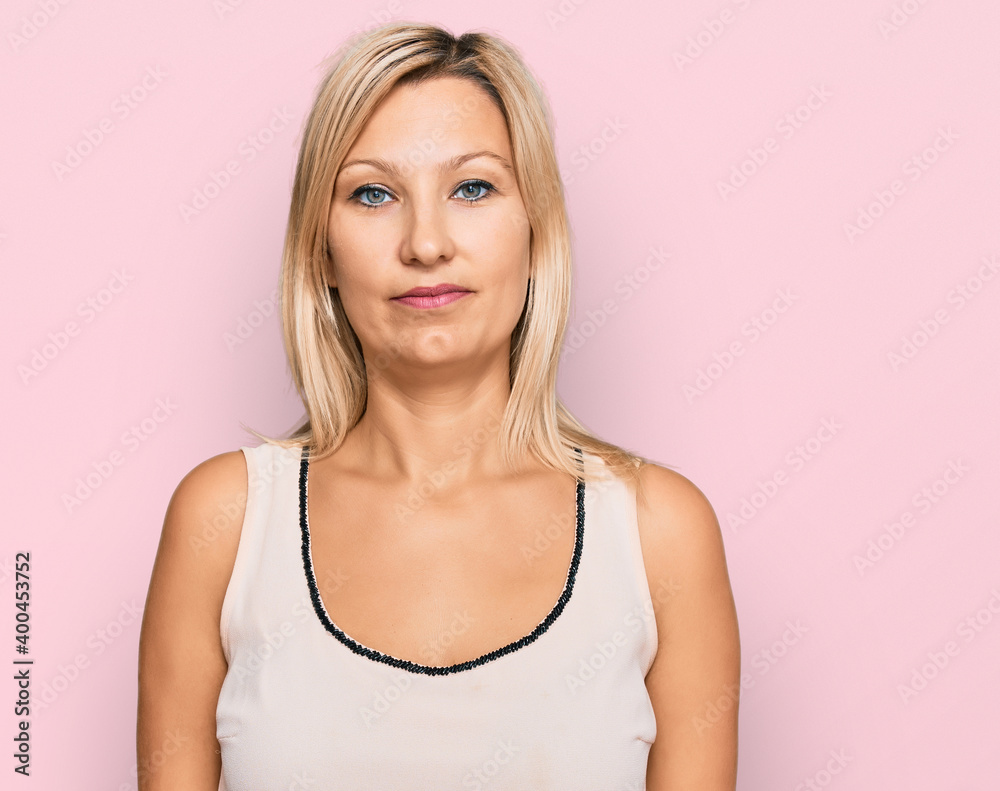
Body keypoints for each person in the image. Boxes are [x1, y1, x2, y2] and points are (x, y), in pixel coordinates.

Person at [137, 20, 740, 790]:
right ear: (320, 248)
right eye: (374, 193)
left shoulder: (661, 531)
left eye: (473, 187)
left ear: (537, 229)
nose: (426, 243)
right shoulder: (222, 521)